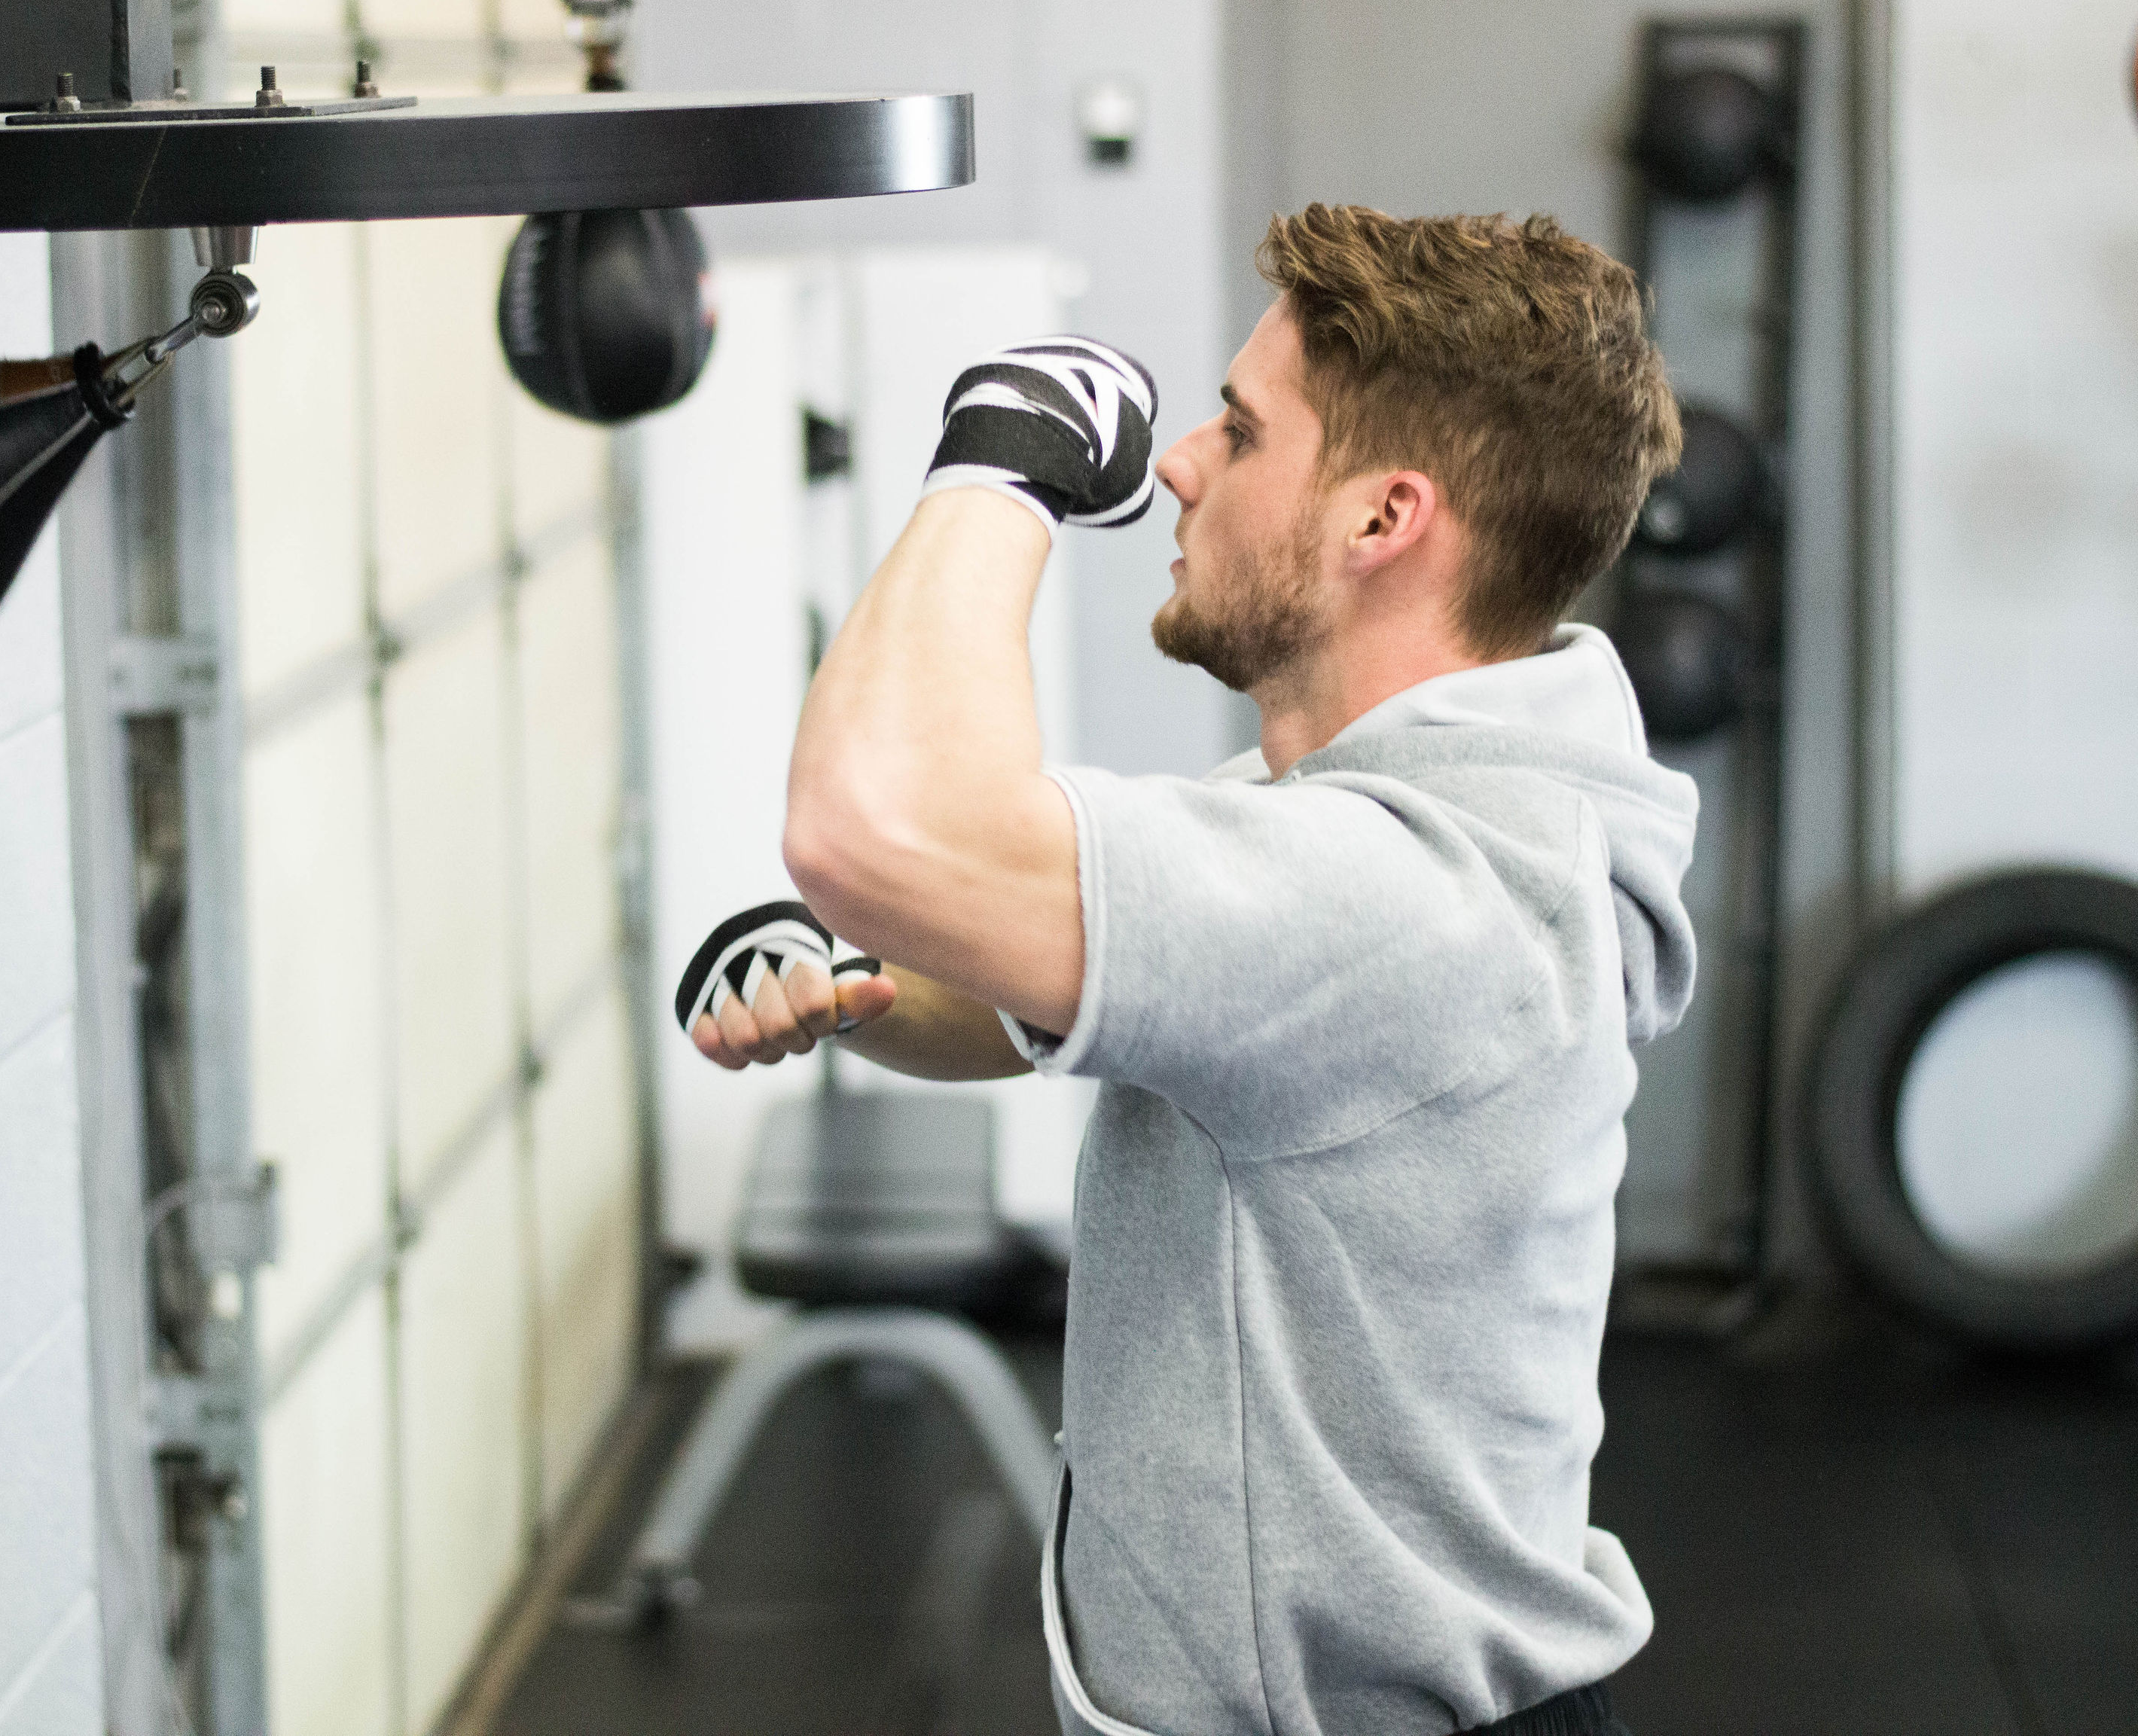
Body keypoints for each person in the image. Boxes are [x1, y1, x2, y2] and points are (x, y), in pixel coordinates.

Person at [676, 205, 1697, 1736]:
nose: (1177, 464)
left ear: (1380, 520)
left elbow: (873, 823)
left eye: (1240, 428)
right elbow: (1024, 983)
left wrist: (1000, 466)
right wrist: (854, 975)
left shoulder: (1403, 899)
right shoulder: (1397, 824)